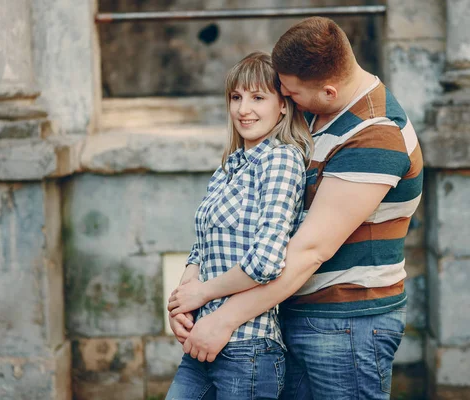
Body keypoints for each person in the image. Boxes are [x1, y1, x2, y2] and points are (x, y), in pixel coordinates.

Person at [168, 17, 423, 400]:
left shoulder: (375, 133)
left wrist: (222, 317)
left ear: (329, 90)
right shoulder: (314, 112)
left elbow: (308, 251)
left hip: (345, 323)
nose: (284, 100)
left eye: (290, 94)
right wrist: (192, 282)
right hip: (287, 313)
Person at [165, 51, 313, 400]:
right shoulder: (230, 166)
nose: (243, 109)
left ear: (282, 106)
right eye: (236, 97)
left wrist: (202, 292)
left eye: (257, 97)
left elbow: (266, 262)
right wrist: (181, 305)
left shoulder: (281, 159)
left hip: (248, 350)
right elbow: (201, 245)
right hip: (201, 338)